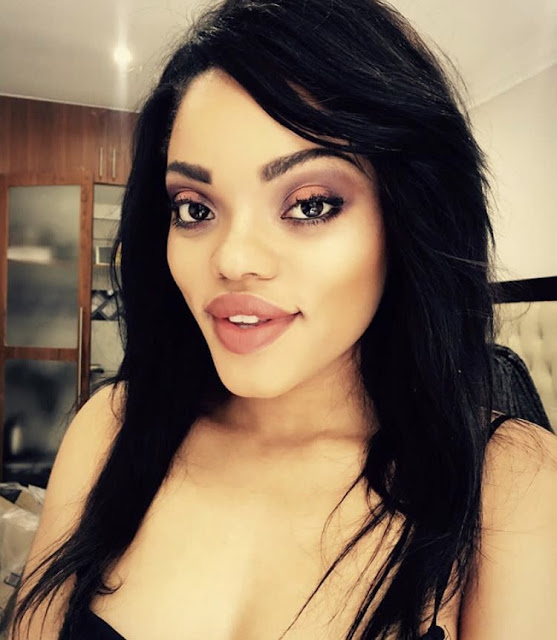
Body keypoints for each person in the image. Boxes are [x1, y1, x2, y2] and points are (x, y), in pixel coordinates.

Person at [8, 0, 557, 638]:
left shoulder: (513, 484)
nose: (233, 259)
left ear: (407, 215)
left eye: (311, 204)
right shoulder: (111, 428)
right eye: (194, 209)